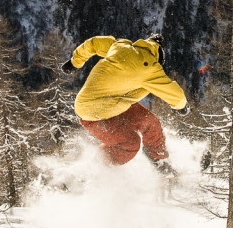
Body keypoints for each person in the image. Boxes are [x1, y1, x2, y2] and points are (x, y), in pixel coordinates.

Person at [61, 33, 189, 173]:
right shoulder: (151, 69)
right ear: (157, 60)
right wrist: (182, 106)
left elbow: (93, 44)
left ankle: (159, 160)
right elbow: (173, 93)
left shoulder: (119, 46)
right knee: (130, 143)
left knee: (149, 121)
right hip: (92, 113)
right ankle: (93, 170)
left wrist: (75, 62)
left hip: (102, 104)